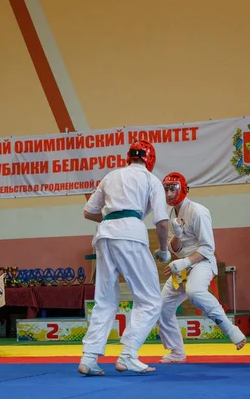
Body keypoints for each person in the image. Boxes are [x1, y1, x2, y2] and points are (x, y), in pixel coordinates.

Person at [78, 139, 171, 376]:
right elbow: (161, 222)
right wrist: (163, 249)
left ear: (128, 157)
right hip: (131, 234)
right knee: (150, 300)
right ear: (150, 159)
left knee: (105, 298)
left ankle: (89, 358)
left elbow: (88, 212)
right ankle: (128, 354)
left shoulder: (111, 176)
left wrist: (113, 221)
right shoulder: (151, 180)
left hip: (105, 234)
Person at [157, 172, 246, 363]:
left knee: (195, 292)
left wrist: (183, 262)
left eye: (172, 189)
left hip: (202, 262)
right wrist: (178, 235)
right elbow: (176, 248)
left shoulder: (198, 211)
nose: (169, 194)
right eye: (165, 189)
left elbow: (207, 248)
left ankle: (230, 329)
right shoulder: (172, 213)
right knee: (162, 307)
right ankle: (176, 352)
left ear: (183, 189)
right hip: (183, 265)